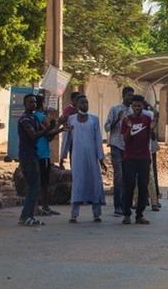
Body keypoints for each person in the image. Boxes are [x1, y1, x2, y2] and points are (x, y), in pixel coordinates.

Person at [60, 95, 107, 223]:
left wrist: (101, 158)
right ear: (77, 105)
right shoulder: (71, 120)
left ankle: (96, 214)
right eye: (82, 103)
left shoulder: (94, 120)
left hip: (92, 157)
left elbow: (98, 139)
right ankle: (74, 214)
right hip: (77, 156)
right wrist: (62, 156)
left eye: (86, 103)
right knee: (78, 182)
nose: (85, 105)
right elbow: (67, 139)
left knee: (94, 181)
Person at [18, 94, 55, 226]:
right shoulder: (25, 119)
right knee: (33, 187)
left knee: (35, 186)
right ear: (25, 104)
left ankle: (29, 215)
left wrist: (57, 128)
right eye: (30, 102)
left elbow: (46, 134)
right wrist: (48, 129)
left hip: (33, 154)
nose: (33, 104)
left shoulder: (33, 117)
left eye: (34, 102)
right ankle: (26, 216)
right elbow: (33, 135)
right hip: (27, 155)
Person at [120, 95, 154, 225]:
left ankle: (140, 214)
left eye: (139, 105)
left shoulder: (147, 119)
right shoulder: (126, 120)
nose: (137, 108)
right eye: (134, 105)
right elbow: (125, 139)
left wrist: (152, 128)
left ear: (143, 106)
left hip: (144, 158)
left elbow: (152, 137)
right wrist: (129, 128)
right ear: (131, 106)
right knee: (128, 186)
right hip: (130, 158)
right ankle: (126, 214)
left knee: (143, 186)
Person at [105, 87, 135, 217]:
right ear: (123, 96)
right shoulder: (115, 109)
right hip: (117, 145)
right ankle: (117, 205)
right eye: (129, 95)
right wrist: (117, 119)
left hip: (128, 146)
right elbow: (107, 126)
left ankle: (125, 204)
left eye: (132, 96)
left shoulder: (134, 111)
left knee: (128, 177)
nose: (131, 98)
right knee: (119, 175)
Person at [34, 96, 66, 216]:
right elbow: (49, 135)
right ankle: (45, 206)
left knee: (35, 181)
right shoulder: (42, 117)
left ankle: (36, 206)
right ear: (41, 104)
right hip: (42, 152)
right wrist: (60, 126)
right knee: (44, 182)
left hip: (34, 152)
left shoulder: (30, 117)